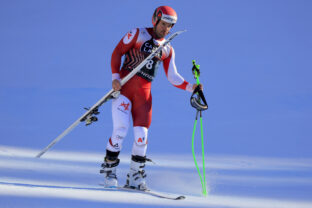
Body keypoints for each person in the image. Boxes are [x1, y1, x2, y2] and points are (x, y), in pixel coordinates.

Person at [100, 6, 202, 190]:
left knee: (142, 136)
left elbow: (173, 76)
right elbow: (117, 52)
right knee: (120, 130)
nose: (166, 29)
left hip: (144, 97)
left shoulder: (167, 48)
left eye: (170, 26)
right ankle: (109, 170)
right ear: (155, 19)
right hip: (124, 91)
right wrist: (115, 78)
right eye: (164, 24)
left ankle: (135, 176)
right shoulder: (137, 34)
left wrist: (191, 87)